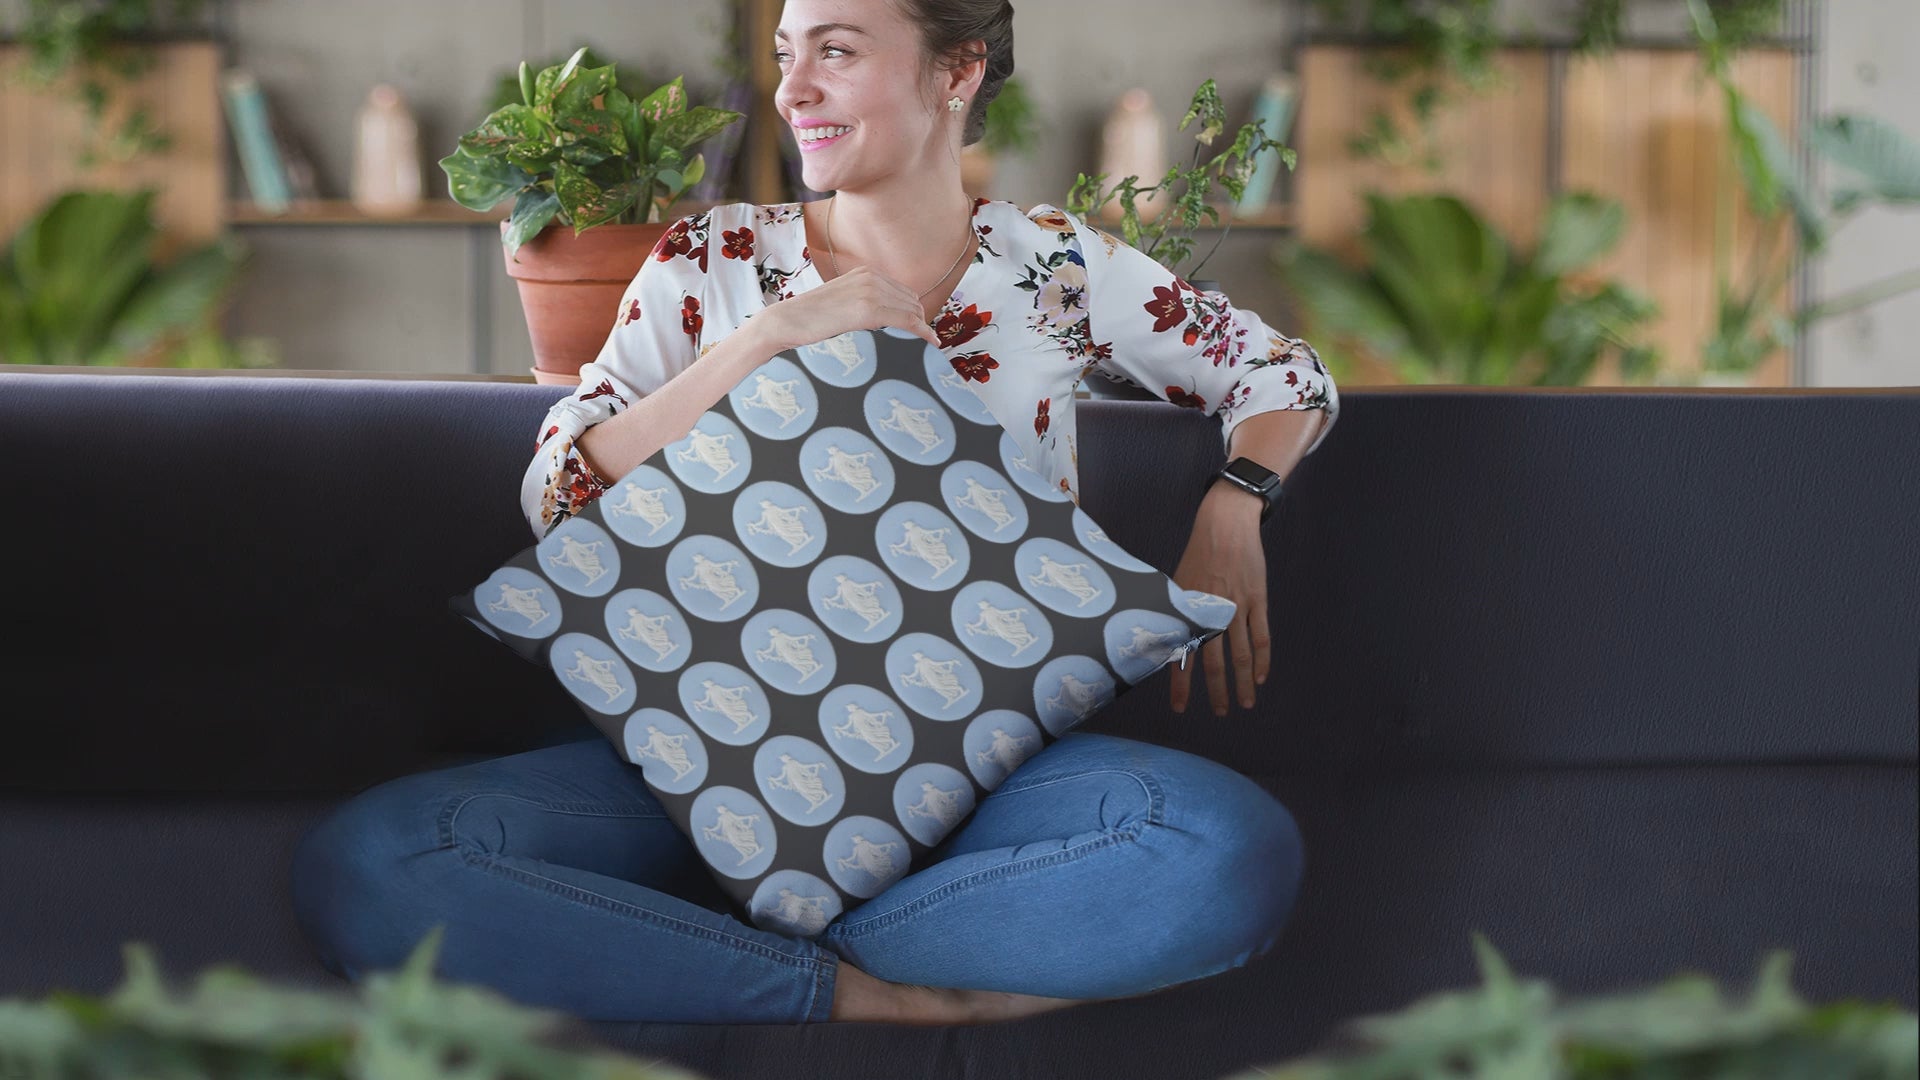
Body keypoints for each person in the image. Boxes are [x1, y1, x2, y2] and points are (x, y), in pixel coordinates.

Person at [290, 0, 1338, 1027]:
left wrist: (1233, 504)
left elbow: (1281, 372)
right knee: (381, 863)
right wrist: (763, 341)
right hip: (695, 762)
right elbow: (561, 486)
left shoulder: (1056, 265)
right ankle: (851, 992)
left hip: (988, 769)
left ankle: (735, 942)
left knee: (1222, 849)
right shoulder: (712, 260)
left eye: (834, 51)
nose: (792, 89)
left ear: (956, 72)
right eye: (787, 53)